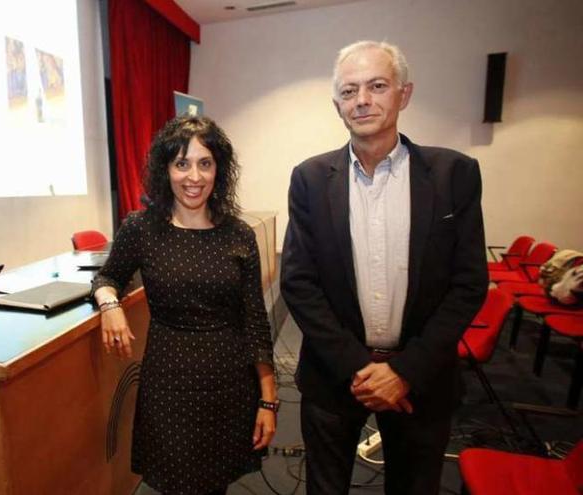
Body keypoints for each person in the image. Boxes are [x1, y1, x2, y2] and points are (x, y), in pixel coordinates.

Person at [280, 40, 488, 494]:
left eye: (377, 86)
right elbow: (298, 282)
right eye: (350, 91)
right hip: (334, 377)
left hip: (422, 377)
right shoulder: (310, 179)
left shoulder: (455, 174)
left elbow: (469, 284)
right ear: (337, 104)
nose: (362, 101)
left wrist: (404, 371)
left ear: (404, 94)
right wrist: (359, 367)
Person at [93, 115, 277, 495]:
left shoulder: (239, 234)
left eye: (204, 163)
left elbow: (256, 322)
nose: (194, 176)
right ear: (166, 170)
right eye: (182, 163)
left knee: (215, 485)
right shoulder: (140, 229)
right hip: (168, 385)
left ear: (218, 170)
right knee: (176, 483)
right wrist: (109, 304)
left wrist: (269, 400)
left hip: (229, 383)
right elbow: (107, 277)